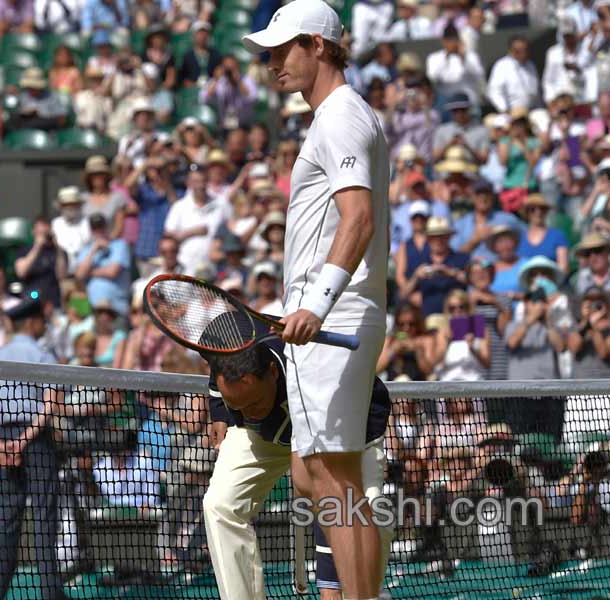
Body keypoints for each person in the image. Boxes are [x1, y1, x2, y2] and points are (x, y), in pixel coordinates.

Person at [242, 1, 391, 595]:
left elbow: (359, 220)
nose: (271, 64)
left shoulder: (341, 118)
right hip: (326, 316)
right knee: (313, 476)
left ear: (319, 46)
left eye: (282, 50)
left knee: (334, 481)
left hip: (334, 316)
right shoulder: (335, 117)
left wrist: (318, 303)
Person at [201, 315, 393, 599]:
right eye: (236, 404)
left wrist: (330, 586)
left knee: (369, 511)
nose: (246, 412)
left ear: (273, 373)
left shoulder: (313, 376)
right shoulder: (231, 351)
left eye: (252, 402)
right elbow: (216, 364)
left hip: (346, 431)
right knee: (220, 506)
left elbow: (329, 500)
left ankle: (361, 592)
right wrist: (220, 410)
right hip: (272, 434)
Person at [0, 297, 63, 600]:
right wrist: (25, 439)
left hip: (5, 441)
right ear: (32, 322)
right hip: (36, 442)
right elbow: (50, 404)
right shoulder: (42, 353)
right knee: (44, 518)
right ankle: (51, 593)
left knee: (5, 521)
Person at [487, 35, 541, 114]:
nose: (523, 54)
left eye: (525, 50)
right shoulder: (502, 65)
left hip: (533, 110)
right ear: (511, 50)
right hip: (512, 111)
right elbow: (494, 91)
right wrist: (505, 110)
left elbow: (537, 90)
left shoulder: (530, 65)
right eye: (519, 51)